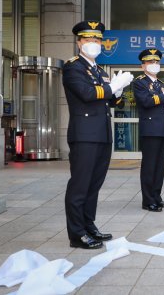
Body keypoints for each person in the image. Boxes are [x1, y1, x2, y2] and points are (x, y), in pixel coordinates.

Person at [62, 20, 133, 249]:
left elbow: (111, 100)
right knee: (80, 185)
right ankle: (77, 234)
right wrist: (112, 87)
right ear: (78, 42)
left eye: (97, 39)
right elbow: (86, 93)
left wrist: (118, 89)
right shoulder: (73, 67)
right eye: (88, 39)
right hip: (84, 134)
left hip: (102, 134)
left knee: (94, 185)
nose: (93, 43)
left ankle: (89, 225)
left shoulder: (99, 70)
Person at [133, 49, 164, 212]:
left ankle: (156, 196)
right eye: (150, 62)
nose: (154, 65)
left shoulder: (160, 84)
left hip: (162, 129)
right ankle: (148, 200)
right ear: (143, 65)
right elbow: (146, 102)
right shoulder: (139, 82)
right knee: (149, 166)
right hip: (150, 130)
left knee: (160, 166)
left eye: (156, 62)